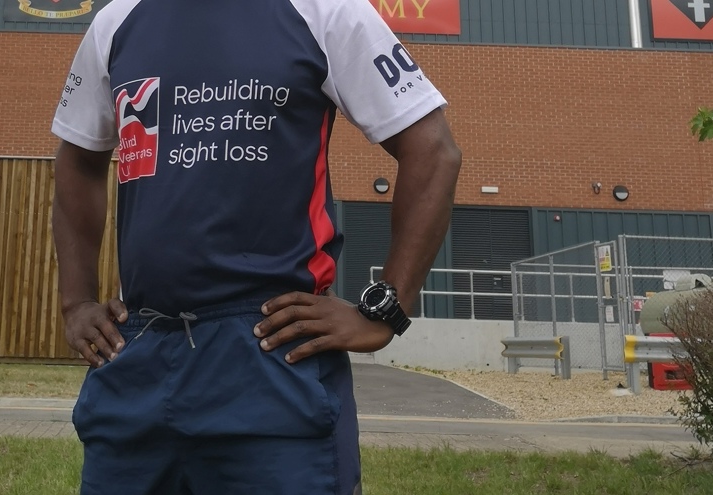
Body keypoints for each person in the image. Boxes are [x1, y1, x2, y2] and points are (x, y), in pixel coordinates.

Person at [50, 0, 462, 492]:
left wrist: (386, 310)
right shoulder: (117, 20)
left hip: (272, 354)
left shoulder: (326, 11)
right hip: (139, 351)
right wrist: (76, 302)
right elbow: (77, 159)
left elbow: (433, 150)